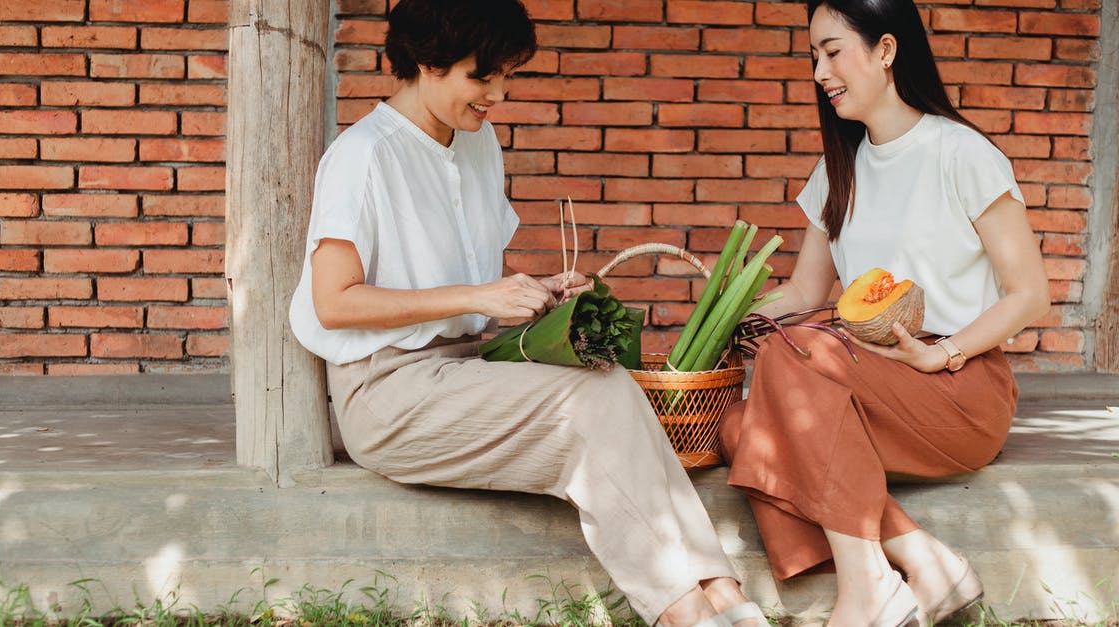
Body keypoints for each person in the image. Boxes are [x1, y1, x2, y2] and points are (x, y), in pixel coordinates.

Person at [289, 1, 771, 625]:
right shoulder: (363, 156)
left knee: (612, 384)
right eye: (482, 76)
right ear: (428, 63)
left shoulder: (476, 143)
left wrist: (535, 292)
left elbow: (465, 290)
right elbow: (334, 302)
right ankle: (687, 613)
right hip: (387, 391)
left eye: (507, 75)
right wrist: (479, 295)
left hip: (464, 369)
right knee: (592, 407)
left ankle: (724, 595)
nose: (498, 94)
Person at [716, 0, 1050, 625]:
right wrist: (720, 309)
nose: (820, 69)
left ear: (887, 50)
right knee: (740, 427)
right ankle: (923, 561)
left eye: (833, 50)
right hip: (863, 379)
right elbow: (802, 295)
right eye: (813, 55)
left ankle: (869, 588)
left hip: (957, 384)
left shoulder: (962, 153)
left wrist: (942, 351)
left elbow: (1031, 293)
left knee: (799, 352)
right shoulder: (837, 169)